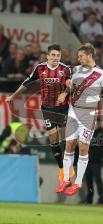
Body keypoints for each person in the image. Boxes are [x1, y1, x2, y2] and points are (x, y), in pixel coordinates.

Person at [55, 43, 103, 196]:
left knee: (83, 148)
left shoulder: (101, 74)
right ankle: (65, 179)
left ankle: (77, 183)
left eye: (81, 56)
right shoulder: (75, 70)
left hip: (89, 115)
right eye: (78, 56)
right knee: (69, 144)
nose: (78, 59)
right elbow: (66, 82)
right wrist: (65, 90)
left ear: (89, 55)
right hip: (73, 111)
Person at [6, 44, 74, 182]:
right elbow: (26, 83)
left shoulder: (65, 69)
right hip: (47, 108)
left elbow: (70, 84)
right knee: (53, 140)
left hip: (62, 108)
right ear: (48, 56)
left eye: (58, 55)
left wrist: (65, 93)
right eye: (53, 55)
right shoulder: (40, 68)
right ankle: (62, 169)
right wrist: (13, 96)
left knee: (68, 140)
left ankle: (70, 166)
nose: (56, 58)